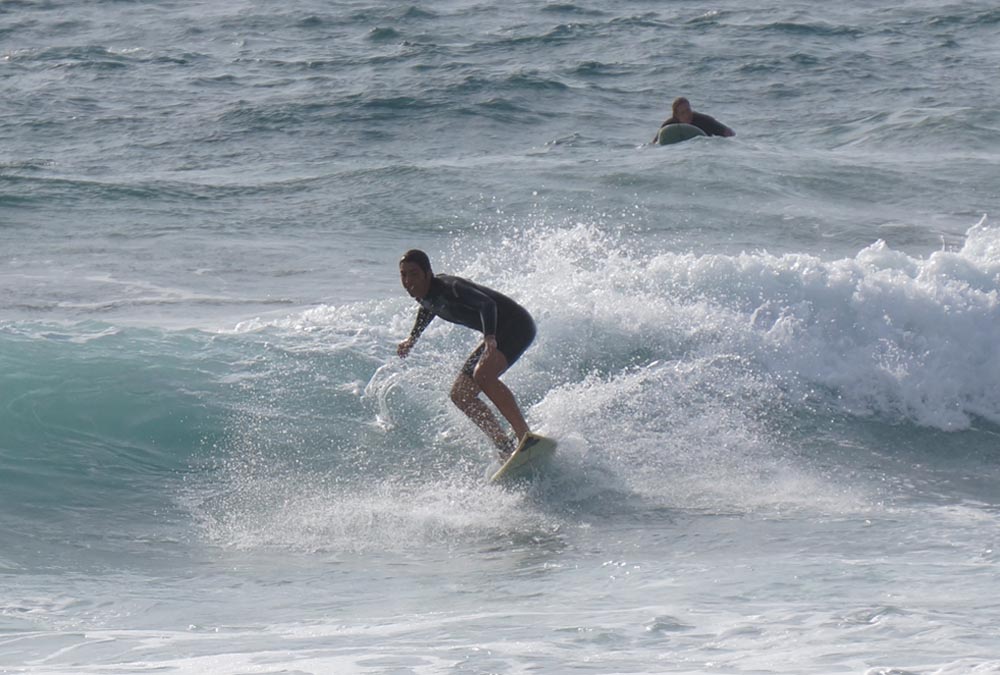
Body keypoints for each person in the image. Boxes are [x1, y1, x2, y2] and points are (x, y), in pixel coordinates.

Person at [396, 249, 538, 459]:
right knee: (460, 394)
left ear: (428, 273)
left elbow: (486, 304)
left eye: (414, 274)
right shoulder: (423, 295)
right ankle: (504, 445)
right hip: (497, 334)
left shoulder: (451, 288)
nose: (408, 280)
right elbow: (428, 308)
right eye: (403, 275)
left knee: (483, 375)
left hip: (517, 326)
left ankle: (526, 437)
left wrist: (489, 336)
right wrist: (412, 339)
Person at [653, 97, 735, 142]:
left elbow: (729, 133)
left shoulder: (703, 120)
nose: (687, 115)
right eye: (682, 113)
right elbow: (655, 143)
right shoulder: (669, 126)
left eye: (688, 110)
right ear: (676, 115)